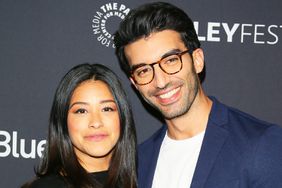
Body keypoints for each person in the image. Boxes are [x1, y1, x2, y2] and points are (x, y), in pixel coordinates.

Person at [114, 2, 282, 188]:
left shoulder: (261, 143)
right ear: (135, 83)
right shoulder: (139, 162)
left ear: (197, 60)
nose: (160, 82)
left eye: (171, 60)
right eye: (143, 71)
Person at [22, 63, 137, 188]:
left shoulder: (147, 180)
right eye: (81, 111)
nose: (96, 122)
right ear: (62, 121)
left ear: (123, 116)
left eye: (107, 109)